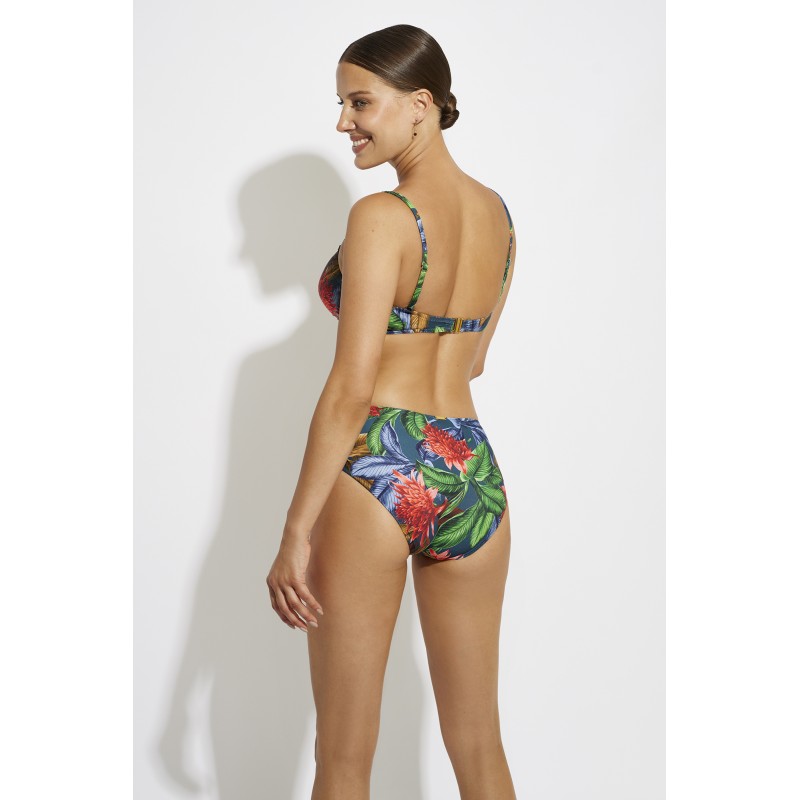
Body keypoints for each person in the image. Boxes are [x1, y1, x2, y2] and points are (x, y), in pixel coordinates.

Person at [266, 23, 518, 800]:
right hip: (470, 470)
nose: (345, 121)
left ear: (420, 104)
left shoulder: (382, 217)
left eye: (360, 102)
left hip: (383, 459)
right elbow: (475, 360)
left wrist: (296, 530)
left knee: (343, 756)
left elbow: (352, 386)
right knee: (479, 745)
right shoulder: (500, 217)